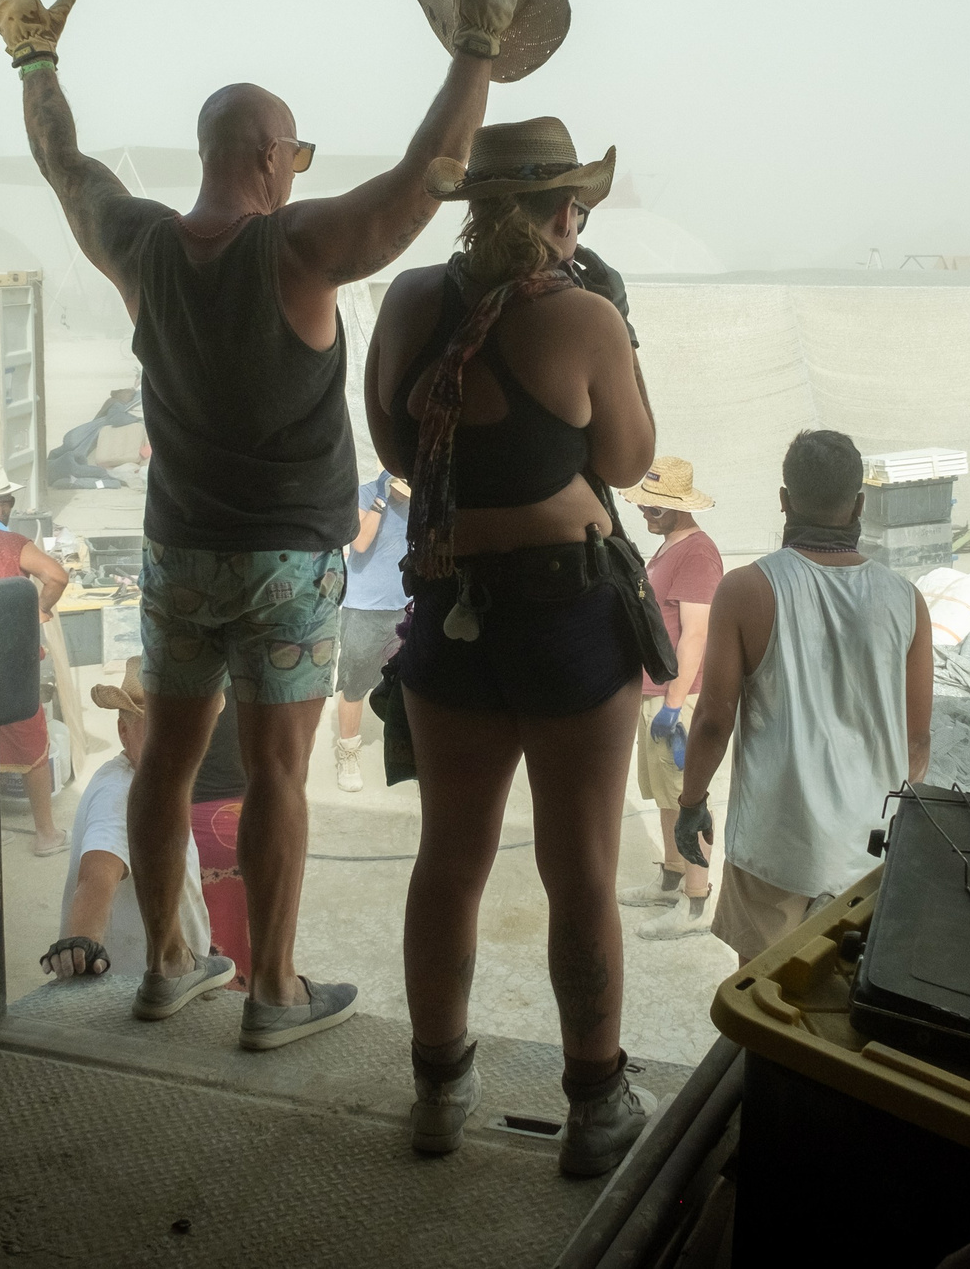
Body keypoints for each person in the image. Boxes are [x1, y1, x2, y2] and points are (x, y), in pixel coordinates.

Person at [0, 0, 529, 1049]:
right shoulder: (295, 247)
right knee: (276, 767)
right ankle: (273, 989)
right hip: (287, 565)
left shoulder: (140, 244)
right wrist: (475, 45)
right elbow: (428, 178)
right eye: (299, 151)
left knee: (164, 758)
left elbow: (64, 167)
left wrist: (36, 64)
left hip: (178, 554)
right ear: (274, 156)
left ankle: (168, 966)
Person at [366, 117, 657, 1175]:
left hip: (448, 603)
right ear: (557, 214)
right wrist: (609, 327)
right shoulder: (580, 315)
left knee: (449, 856)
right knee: (580, 866)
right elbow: (627, 458)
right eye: (578, 205)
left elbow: (396, 443)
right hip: (566, 609)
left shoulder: (406, 300)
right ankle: (594, 1104)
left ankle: (439, 1091)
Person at [674, 429, 934, 963]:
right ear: (860, 504)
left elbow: (713, 721)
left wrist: (691, 802)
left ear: (784, 500)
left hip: (774, 850)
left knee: (765, 1005)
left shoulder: (748, 589)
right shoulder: (906, 600)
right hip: (867, 856)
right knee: (842, 1011)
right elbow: (918, 738)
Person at [40, 664, 214, 983]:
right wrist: (81, 942)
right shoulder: (123, 795)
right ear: (124, 730)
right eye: (158, 729)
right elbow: (97, 875)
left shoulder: (155, 784)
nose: (174, 741)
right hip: (137, 984)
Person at [618, 457, 721, 939]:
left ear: (681, 507)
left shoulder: (697, 553)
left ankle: (697, 904)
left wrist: (676, 702)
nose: (647, 513)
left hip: (675, 697)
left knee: (688, 795)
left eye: (656, 508)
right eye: (645, 505)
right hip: (653, 692)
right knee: (665, 795)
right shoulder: (666, 548)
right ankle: (671, 879)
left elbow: (696, 633)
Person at [0, 466, 72, 856]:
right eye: (6, 501)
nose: (9, 507)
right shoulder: (12, 544)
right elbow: (57, 575)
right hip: (10, 664)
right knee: (30, 737)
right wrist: (38, 609)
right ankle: (46, 835)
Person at [333, 473, 412, 792]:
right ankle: (347, 751)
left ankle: (406, 750)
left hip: (406, 606)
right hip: (363, 608)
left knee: (407, 682)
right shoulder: (364, 494)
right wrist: (383, 497)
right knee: (355, 684)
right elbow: (360, 542)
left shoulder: (422, 502)